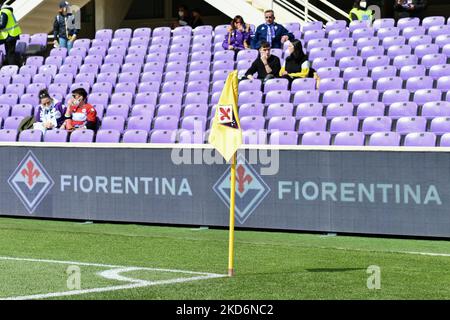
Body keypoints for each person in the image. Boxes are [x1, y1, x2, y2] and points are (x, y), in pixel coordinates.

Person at [0, 1, 22, 66]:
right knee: (9, 53)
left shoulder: (4, 12)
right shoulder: (7, 11)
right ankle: (13, 66)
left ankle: (12, 68)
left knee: (10, 53)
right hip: (11, 35)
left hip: (10, 35)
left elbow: (3, 25)